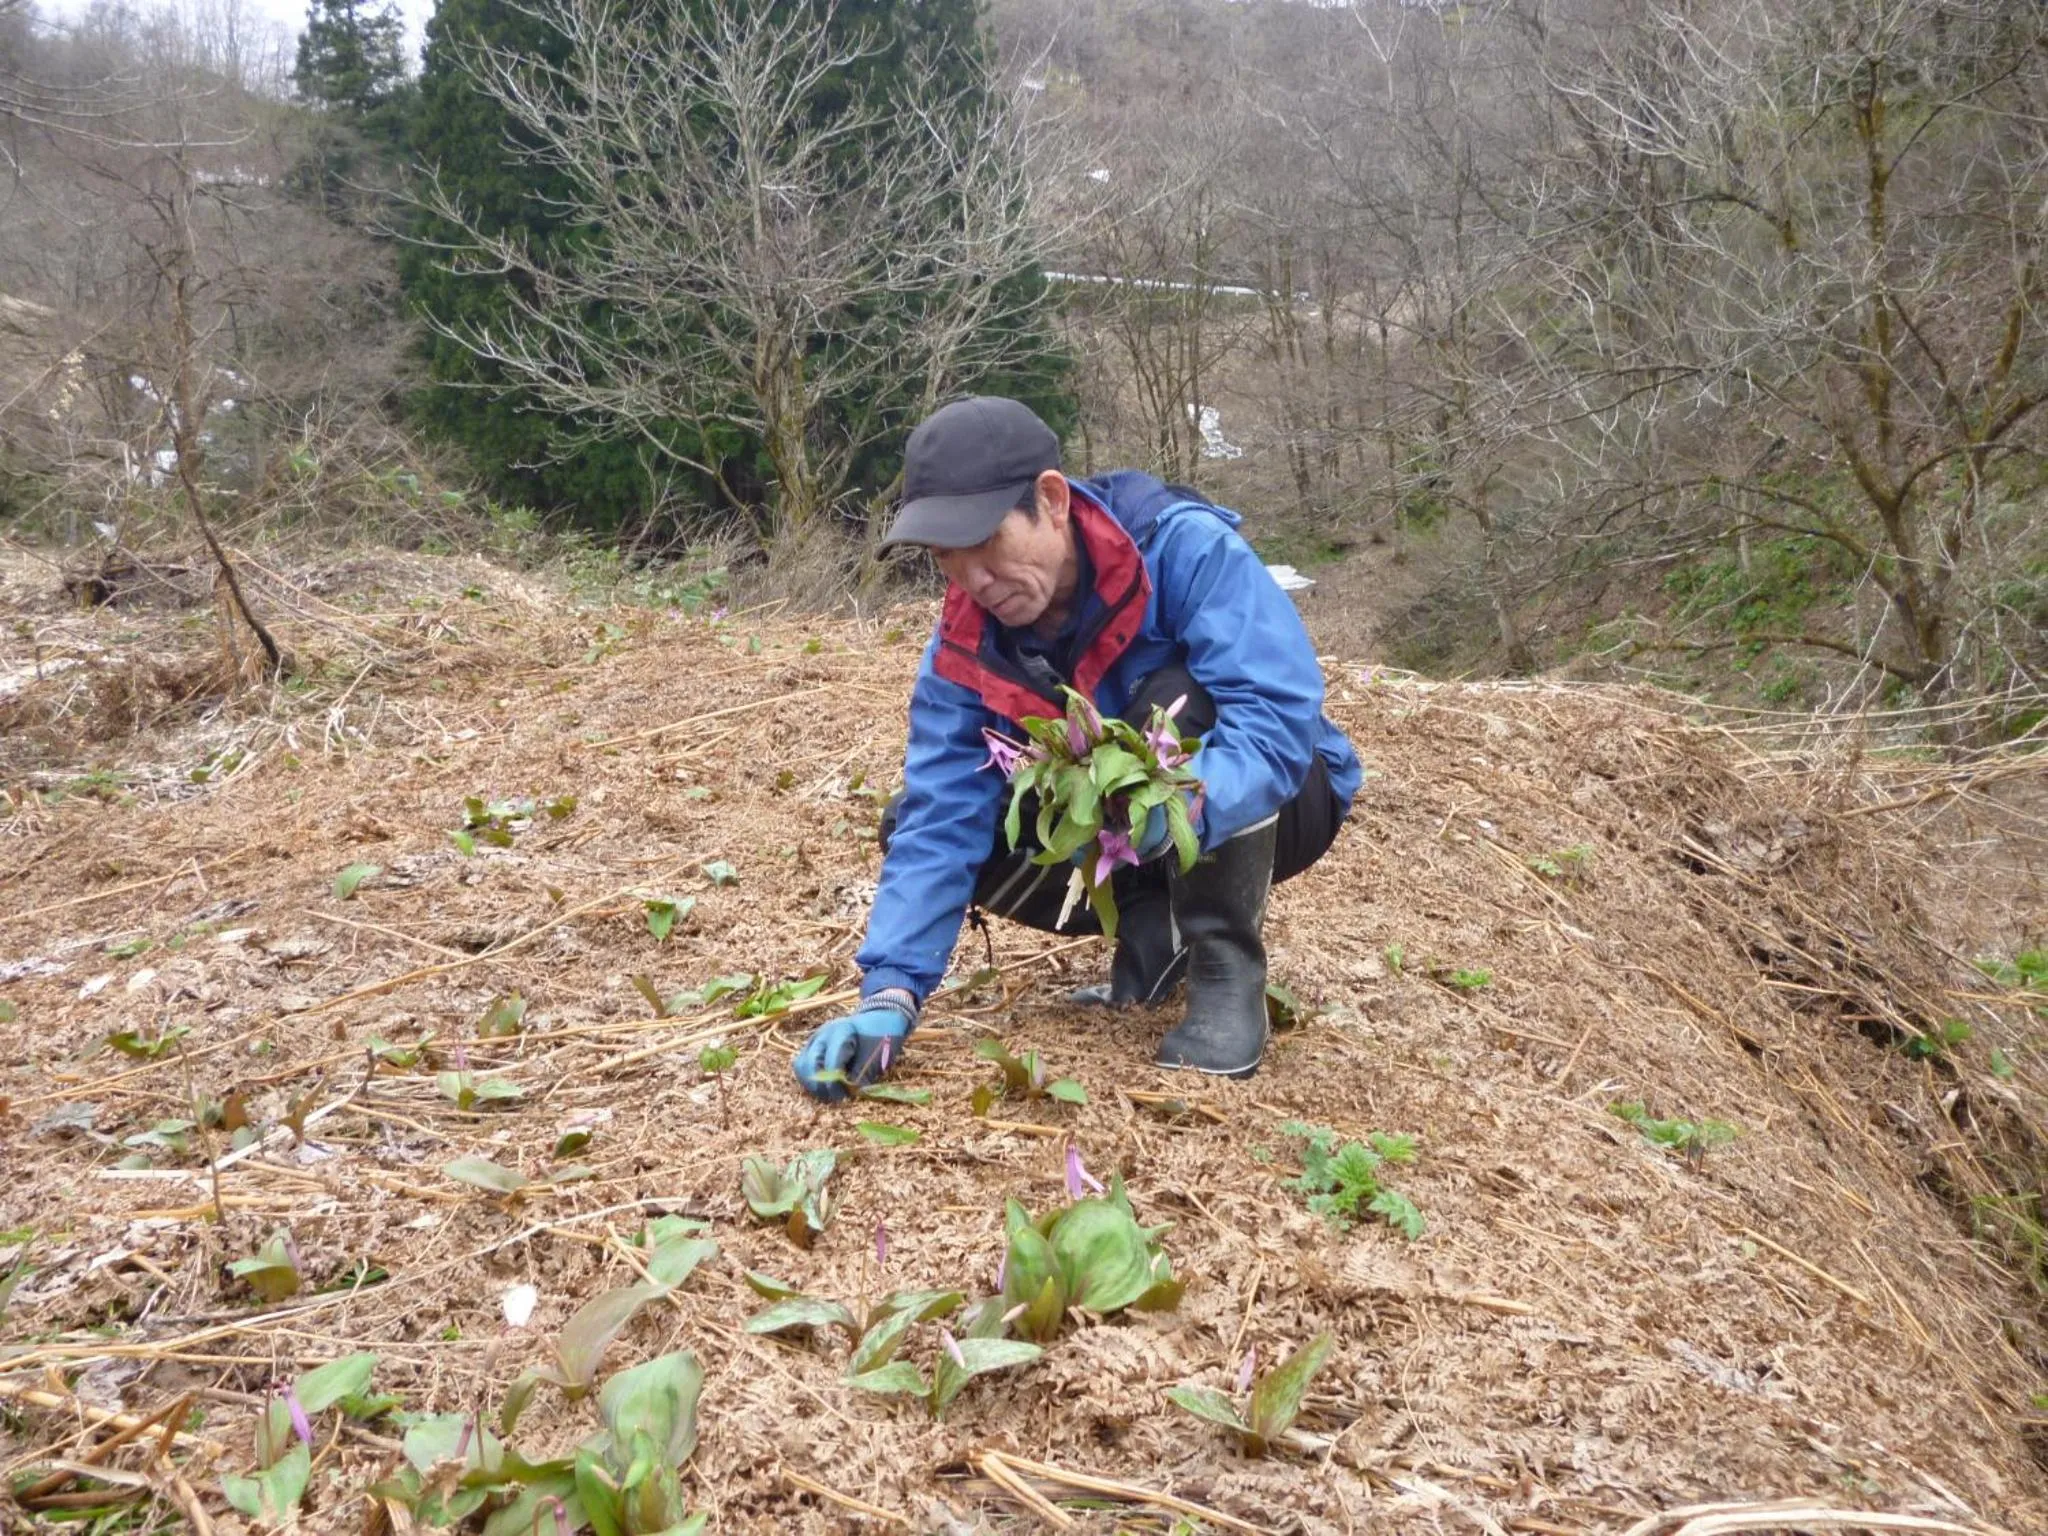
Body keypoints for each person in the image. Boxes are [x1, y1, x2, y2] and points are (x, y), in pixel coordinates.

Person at [794, 396, 1361, 1098]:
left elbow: (1276, 719)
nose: (974, 579)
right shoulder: (967, 638)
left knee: (1177, 704)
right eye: (947, 557)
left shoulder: (1182, 547)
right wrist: (888, 997)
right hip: (1123, 838)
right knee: (913, 813)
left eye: (987, 542)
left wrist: (1182, 804)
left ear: (1052, 500)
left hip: (1289, 797)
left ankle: (1224, 964)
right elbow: (944, 812)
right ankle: (1156, 932)